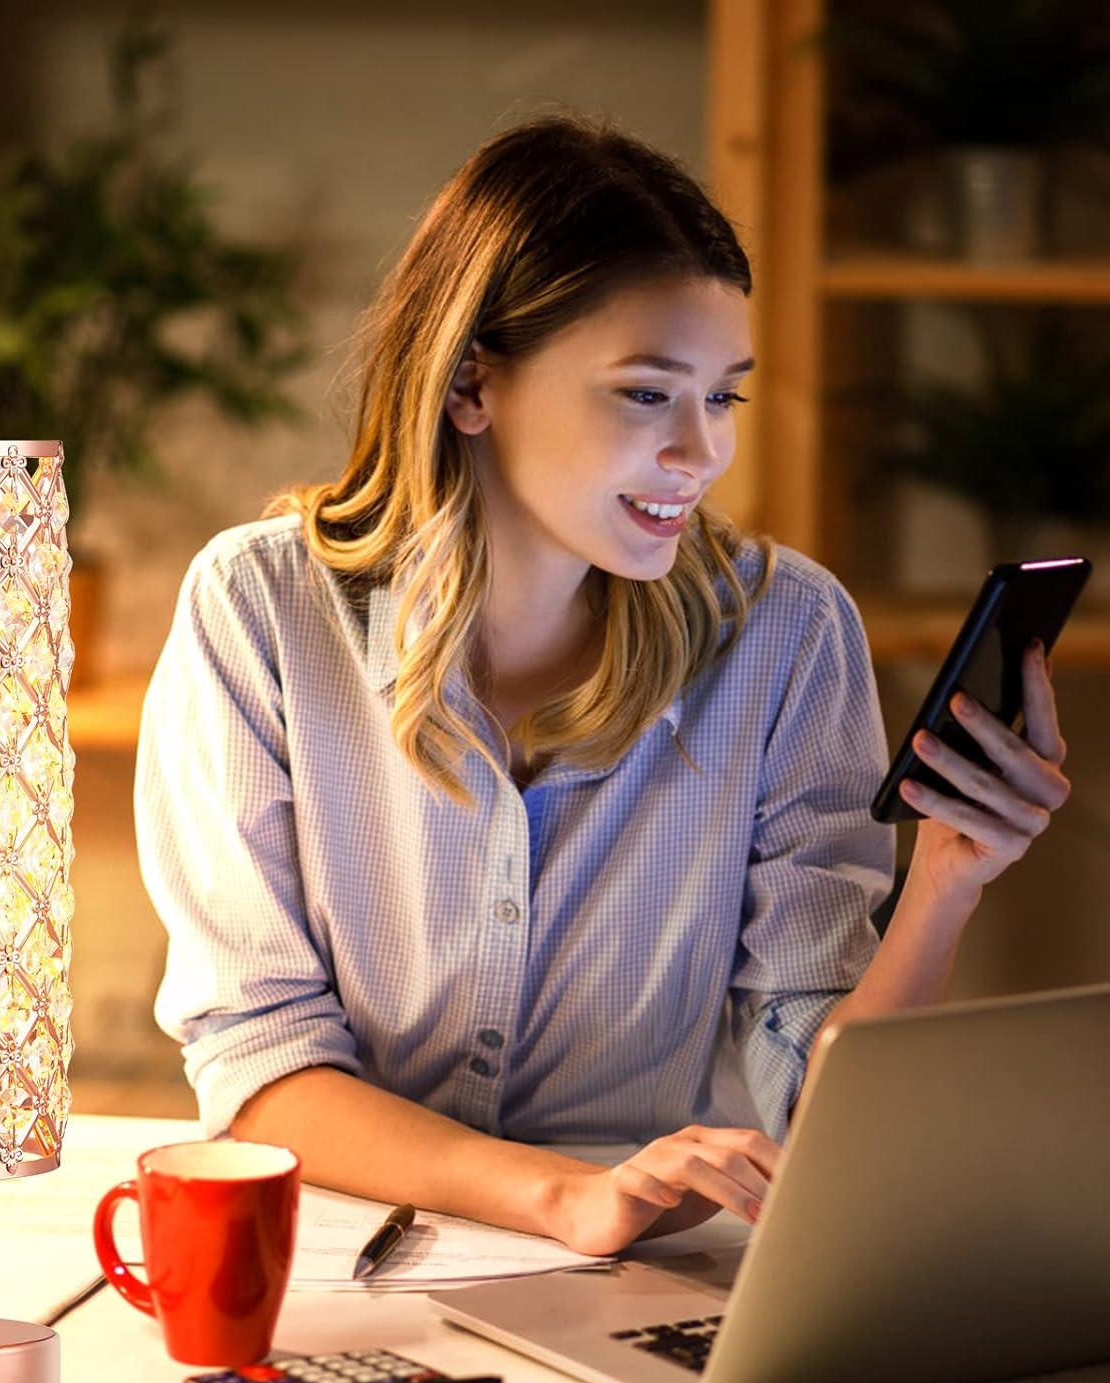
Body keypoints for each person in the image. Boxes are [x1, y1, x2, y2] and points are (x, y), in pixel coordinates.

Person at [132, 114, 1071, 1257]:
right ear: (473, 383)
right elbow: (258, 1060)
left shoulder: (785, 633)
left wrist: (945, 887)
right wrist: (559, 1195)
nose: (703, 452)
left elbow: (813, 1106)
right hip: (345, 1258)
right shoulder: (259, 610)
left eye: (722, 397)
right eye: (645, 395)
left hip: (650, 1263)